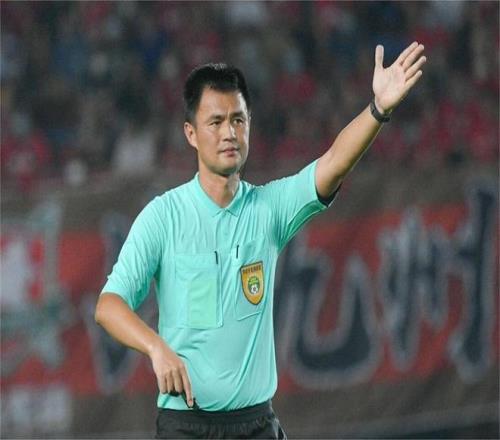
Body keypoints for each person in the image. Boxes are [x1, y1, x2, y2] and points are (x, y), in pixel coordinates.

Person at [95, 42, 426, 439]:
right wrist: (156, 348)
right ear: (191, 134)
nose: (229, 133)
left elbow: (334, 163)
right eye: (215, 122)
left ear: (250, 124)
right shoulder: (163, 217)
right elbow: (109, 305)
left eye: (238, 120)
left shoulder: (267, 210)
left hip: (256, 426)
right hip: (185, 427)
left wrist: (378, 109)